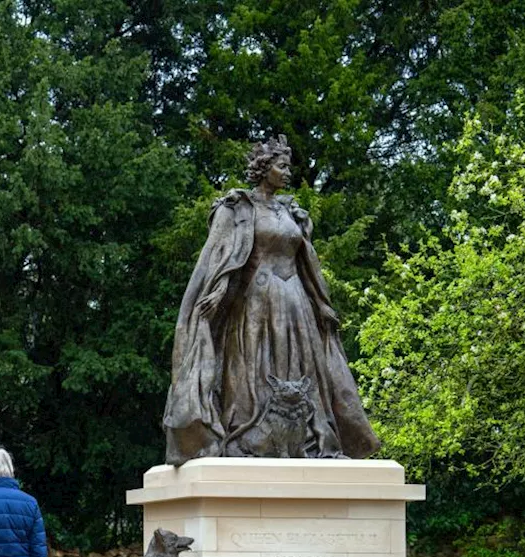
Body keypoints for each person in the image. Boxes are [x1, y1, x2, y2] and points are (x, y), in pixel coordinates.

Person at [163, 134, 380, 464]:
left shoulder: (292, 212)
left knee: (304, 368)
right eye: (281, 166)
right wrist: (219, 290)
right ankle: (250, 438)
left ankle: (306, 440)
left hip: (296, 302)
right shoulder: (237, 209)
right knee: (254, 370)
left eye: (288, 166)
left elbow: (306, 263)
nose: (287, 172)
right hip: (255, 302)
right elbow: (219, 258)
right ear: (264, 169)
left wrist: (321, 302)